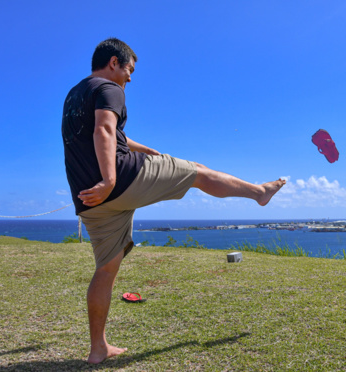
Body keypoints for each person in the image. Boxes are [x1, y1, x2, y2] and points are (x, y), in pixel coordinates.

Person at [62, 38, 285, 364]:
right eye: (129, 69)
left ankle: (98, 349)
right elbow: (104, 132)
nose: (130, 77)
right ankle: (259, 193)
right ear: (114, 62)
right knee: (197, 171)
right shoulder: (110, 88)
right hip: (117, 182)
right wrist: (110, 180)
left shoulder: (75, 95)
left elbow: (111, 136)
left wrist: (146, 152)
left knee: (106, 269)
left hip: (88, 197)